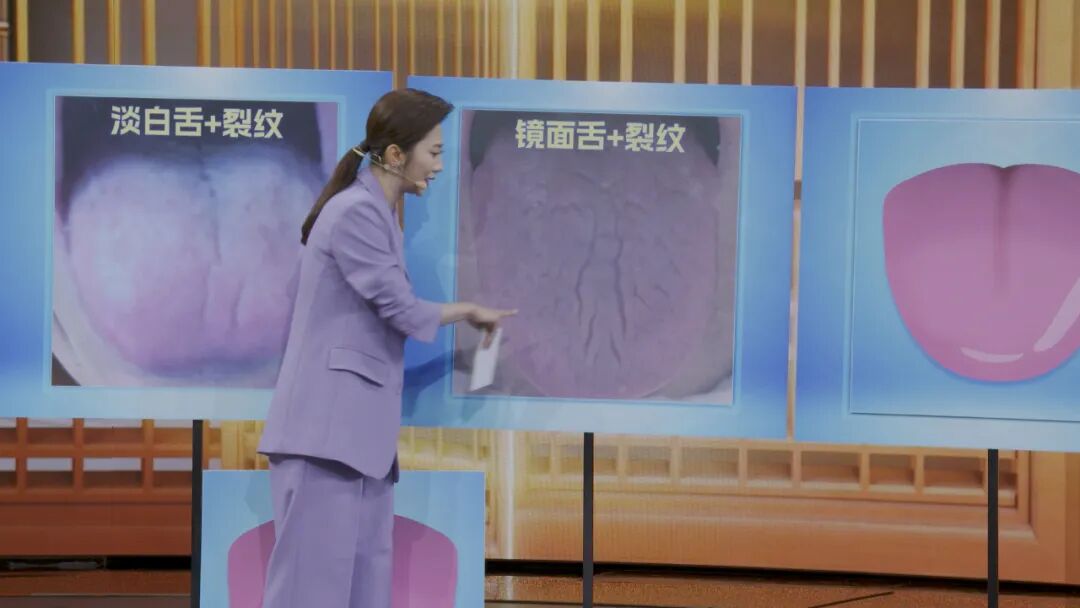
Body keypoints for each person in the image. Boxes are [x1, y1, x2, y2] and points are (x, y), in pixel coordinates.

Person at [256, 88, 515, 608]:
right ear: (396, 154)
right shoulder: (355, 212)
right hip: (325, 439)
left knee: (364, 590)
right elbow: (401, 309)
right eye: (433, 152)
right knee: (310, 593)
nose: (439, 165)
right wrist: (467, 310)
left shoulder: (376, 215)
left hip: (357, 444)